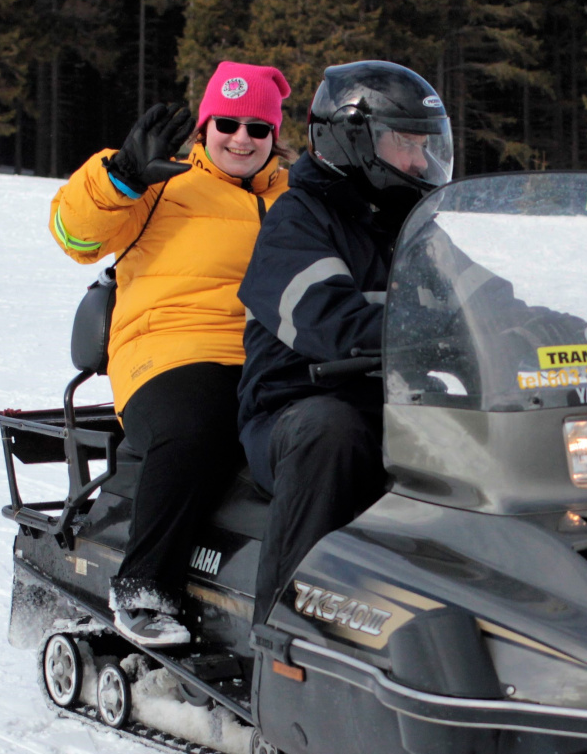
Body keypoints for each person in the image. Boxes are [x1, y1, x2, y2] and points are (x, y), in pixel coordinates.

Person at [48, 61, 293, 646]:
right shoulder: (160, 185)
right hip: (168, 352)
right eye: (227, 124)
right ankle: (144, 589)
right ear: (205, 128)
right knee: (197, 426)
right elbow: (74, 235)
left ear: (274, 136)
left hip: (272, 358)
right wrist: (121, 176)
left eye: (257, 128)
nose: (241, 139)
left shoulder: (297, 196)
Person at [236, 61, 454, 622]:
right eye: (404, 144)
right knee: (330, 433)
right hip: (294, 407)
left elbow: (485, 297)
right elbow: (331, 322)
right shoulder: (297, 221)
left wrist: (557, 328)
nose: (419, 161)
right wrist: (442, 338)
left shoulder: (413, 227)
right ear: (352, 141)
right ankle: (282, 632)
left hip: (397, 403)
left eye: (424, 145)